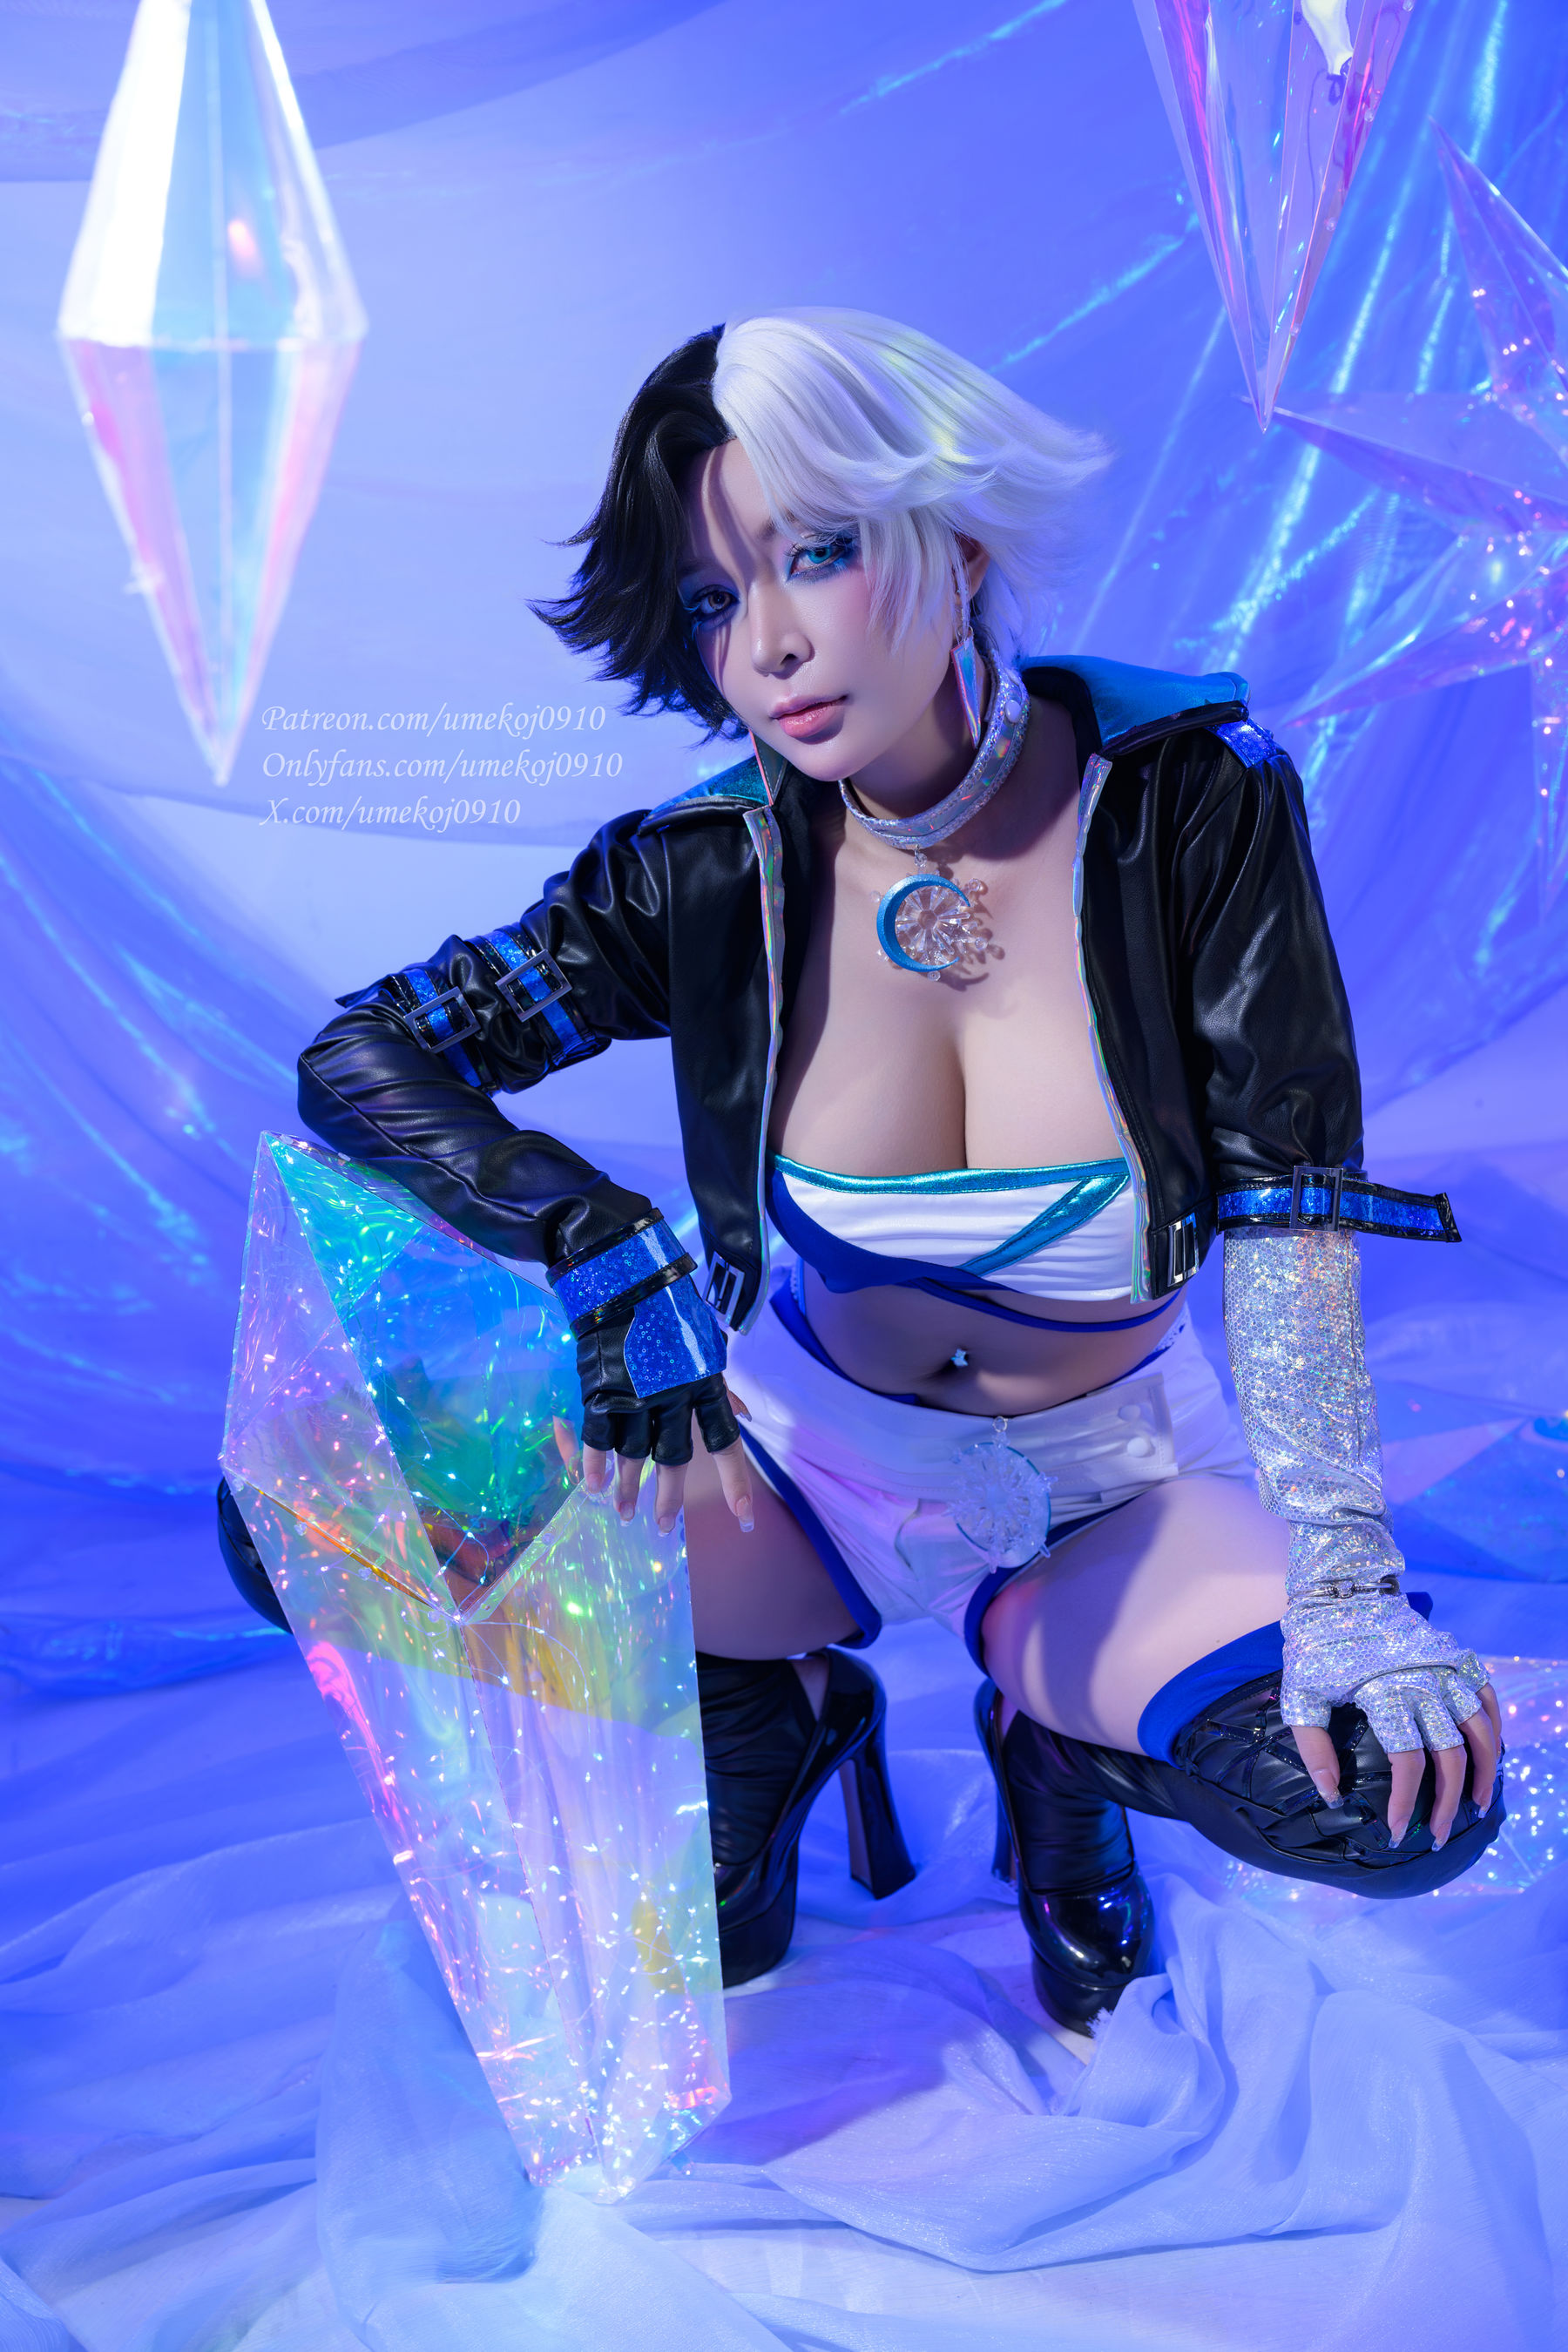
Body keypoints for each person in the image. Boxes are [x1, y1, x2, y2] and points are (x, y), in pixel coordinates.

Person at [287, 311, 1505, 2026]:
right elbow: (368, 1053)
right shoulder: (709, 869)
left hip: (1104, 1494)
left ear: (959, 538)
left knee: (1389, 1796)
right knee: (313, 1501)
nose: (769, 646)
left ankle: (1053, 1751)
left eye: (818, 555)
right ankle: (764, 1712)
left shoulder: (1185, 802)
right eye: (713, 601)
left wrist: (1351, 1580)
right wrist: (596, 1241)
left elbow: (1288, 1207)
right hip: (791, 1469)